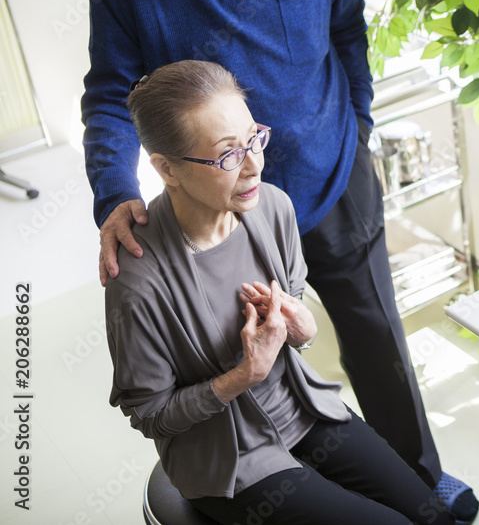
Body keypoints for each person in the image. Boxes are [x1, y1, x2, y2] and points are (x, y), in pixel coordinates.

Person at [80, 0, 477, 519]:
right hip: (220, 220)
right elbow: (109, 96)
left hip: (331, 185)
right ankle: (273, 480)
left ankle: (419, 475)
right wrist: (112, 189)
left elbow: (347, 32)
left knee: (378, 340)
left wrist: (360, 126)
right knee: (236, 353)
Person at [106, 60, 454, 524]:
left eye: (255, 139)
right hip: (230, 462)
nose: (254, 166)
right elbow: (150, 413)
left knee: (434, 515)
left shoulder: (272, 208)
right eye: (229, 154)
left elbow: (293, 322)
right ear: (167, 168)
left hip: (304, 413)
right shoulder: (137, 282)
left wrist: (303, 329)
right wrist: (241, 376)